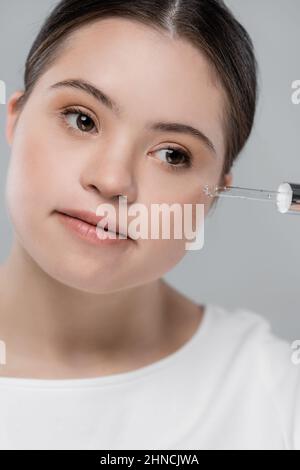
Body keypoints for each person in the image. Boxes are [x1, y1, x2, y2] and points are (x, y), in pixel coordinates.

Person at [0, 0, 298, 450]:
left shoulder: (278, 399)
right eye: (82, 120)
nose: (112, 179)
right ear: (15, 116)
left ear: (215, 193)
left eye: (172, 155)